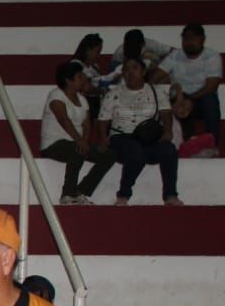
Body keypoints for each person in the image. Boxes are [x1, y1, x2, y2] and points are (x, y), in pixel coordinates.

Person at [97, 57, 181, 206]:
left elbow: (166, 113)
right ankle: (123, 195)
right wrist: (104, 139)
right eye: (126, 69)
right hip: (122, 138)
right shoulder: (113, 94)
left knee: (169, 150)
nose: (130, 73)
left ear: (143, 71)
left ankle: (170, 195)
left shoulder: (157, 92)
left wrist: (168, 131)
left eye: (135, 68)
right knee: (135, 150)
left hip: (147, 138)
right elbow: (103, 120)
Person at [40, 61, 115, 205]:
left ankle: (80, 191)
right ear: (68, 80)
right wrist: (80, 141)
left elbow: (87, 124)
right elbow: (64, 120)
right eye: (80, 76)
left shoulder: (82, 99)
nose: (83, 79)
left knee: (108, 155)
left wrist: (84, 141)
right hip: (53, 144)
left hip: (77, 142)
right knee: (77, 149)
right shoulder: (56, 95)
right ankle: (67, 194)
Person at [162, 22, 221, 146]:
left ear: (202, 39)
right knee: (166, 99)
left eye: (193, 38)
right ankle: (182, 143)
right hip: (178, 98)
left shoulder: (212, 56)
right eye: (185, 38)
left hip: (200, 100)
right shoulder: (175, 55)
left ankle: (212, 144)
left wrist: (189, 99)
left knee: (210, 100)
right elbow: (155, 76)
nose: (189, 42)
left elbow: (212, 87)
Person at [68, 33, 117, 119]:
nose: (99, 55)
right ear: (87, 50)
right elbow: (86, 87)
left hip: (95, 104)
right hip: (82, 105)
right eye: (97, 52)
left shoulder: (94, 66)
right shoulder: (75, 65)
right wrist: (102, 90)